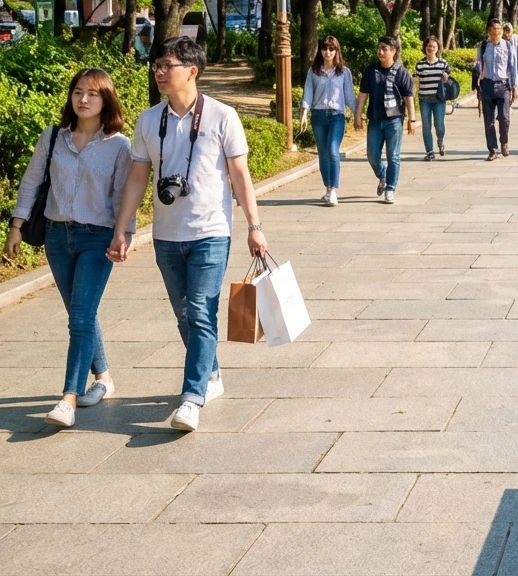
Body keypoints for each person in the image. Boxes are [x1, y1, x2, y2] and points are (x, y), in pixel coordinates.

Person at [108, 36, 268, 433]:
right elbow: (138, 177)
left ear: (191, 71)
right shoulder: (149, 120)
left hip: (211, 230)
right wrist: (123, 228)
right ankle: (211, 374)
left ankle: (191, 397)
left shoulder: (222, 116)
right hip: (166, 233)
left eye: (167, 66)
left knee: (199, 309)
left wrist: (254, 226)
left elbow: (240, 174)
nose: (159, 72)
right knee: (184, 314)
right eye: (157, 66)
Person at [7, 69, 133, 428]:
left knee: (79, 317)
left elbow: (124, 194)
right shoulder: (53, 138)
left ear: (106, 100)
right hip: (57, 237)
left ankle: (68, 399)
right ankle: (104, 378)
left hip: (97, 237)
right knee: (81, 313)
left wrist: (123, 236)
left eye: (92, 94)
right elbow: (31, 182)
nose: (83, 100)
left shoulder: (119, 146)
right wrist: (16, 226)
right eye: (78, 92)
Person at [355, 35, 416, 203]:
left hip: (394, 121)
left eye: (384, 49)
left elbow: (409, 97)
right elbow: (362, 95)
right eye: (379, 48)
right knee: (372, 156)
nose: (380, 52)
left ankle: (390, 188)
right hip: (375, 120)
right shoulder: (371, 71)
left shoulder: (402, 72)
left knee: (393, 156)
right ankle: (383, 175)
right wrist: (357, 115)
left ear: (393, 51)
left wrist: (412, 120)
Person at [301, 35, 356, 206]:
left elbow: (349, 96)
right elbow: (308, 92)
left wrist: (357, 115)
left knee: (333, 150)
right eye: (325, 48)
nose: (328, 52)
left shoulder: (344, 72)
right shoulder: (314, 71)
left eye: (331, 49)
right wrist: (304, 113)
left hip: (337, 116)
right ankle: (327, 188)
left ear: (336, 50)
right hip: (318, 116)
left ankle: (334, 190)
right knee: (323, 154)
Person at [478, 19, 518, 160]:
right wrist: (477, 86)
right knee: (488, 121)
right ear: (489, 31)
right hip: (487, 86)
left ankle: (504, 142)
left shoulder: (508, 46)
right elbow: (478, 66)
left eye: (500, 28)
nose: (498, 31)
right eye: (495, 28)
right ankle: (493, 149)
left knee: (504, 118)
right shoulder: (483, 46)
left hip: (504, 86)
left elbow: (513, 68)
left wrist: (515, 87)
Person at [414, 36, 452, 161]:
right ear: (425, 47)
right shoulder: (420, 65)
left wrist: (446, 78)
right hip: (424, 99)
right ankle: (429, 151)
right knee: (426, 126)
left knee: (439, 124)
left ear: (438, 48)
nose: (431, 48)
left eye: (433, 46)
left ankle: (440, 141)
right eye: (429, 46)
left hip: (439, 99)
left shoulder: (443, 63)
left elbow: (449, 81)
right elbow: (416, 82)